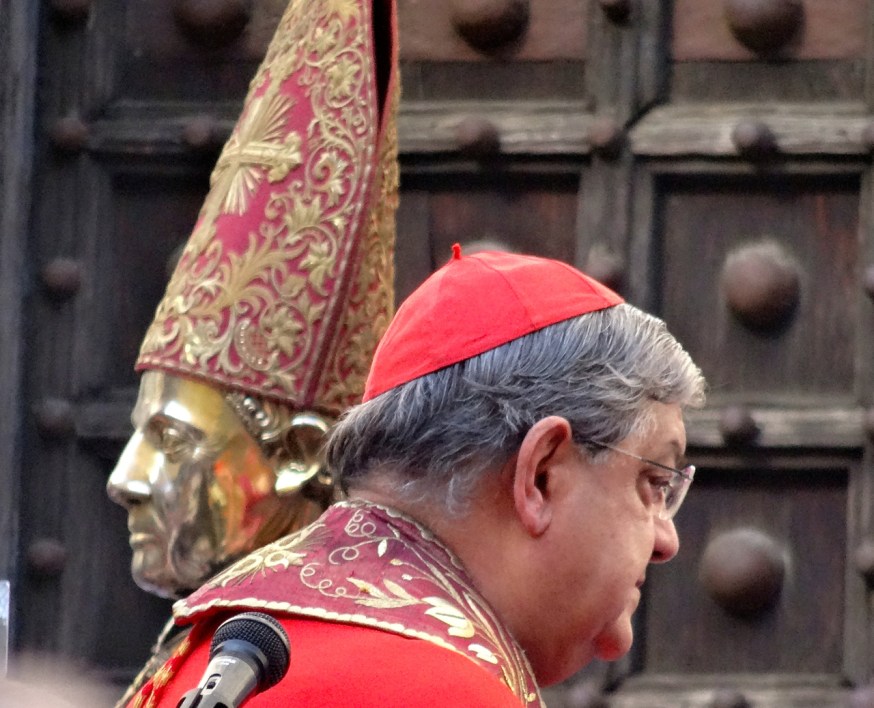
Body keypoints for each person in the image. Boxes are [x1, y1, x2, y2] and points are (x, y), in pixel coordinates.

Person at [126, 246, 706, 707]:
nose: (666, 540)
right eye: (654, 484)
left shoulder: (211, 652)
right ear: (541, 476)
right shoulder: (445, 693)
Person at [107, 0, 399, 702]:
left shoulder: (352, 673)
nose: (125, 478)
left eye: (171, 441)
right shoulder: (211, 645)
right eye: (139, 436)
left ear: (301, 454)